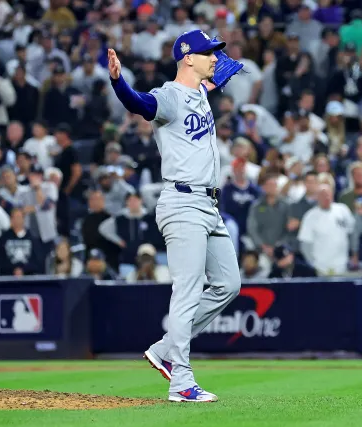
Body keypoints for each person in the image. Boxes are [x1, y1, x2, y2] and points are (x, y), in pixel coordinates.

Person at [108, 30, 243, 402]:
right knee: (186, 291)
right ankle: (180, 381)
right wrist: (119, 82)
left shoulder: (199, 89)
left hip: (208, 205)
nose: (215, 58)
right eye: (208, 53)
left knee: (229, 284)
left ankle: (166, 349)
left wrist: (220, 69)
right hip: (183, 202)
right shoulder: (169, 96)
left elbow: (215, 77)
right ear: (187, 58)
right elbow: (139, 104)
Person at [0, 208, 44, 276]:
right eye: (14, 217)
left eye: (19, 217)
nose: (16, 220)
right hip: (8, 277)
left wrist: (23, 270)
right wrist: (13, 270)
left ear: (23, 219)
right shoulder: (3, 239)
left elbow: (37, 260)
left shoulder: (33, 239)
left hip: (29, 278)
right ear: (11, 220)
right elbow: (0, 260)